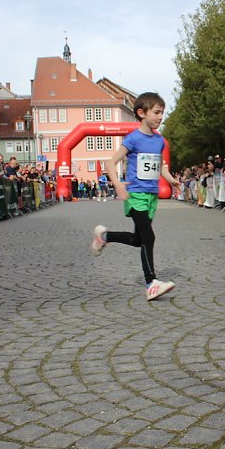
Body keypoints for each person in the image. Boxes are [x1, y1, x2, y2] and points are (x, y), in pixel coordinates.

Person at [90, 92, 181, 301]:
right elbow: (111, 163)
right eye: (156, 112)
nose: (160, 117)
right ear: (141, 113)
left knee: (138, 239)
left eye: (162, 113)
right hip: (136, 195)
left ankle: (104, 237)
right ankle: (151, 284)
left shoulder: (159, 141)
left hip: (151, 196)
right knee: (149, 236)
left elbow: (160, 166)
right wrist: (118, 185)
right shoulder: (133, 139)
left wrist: (171, 180)